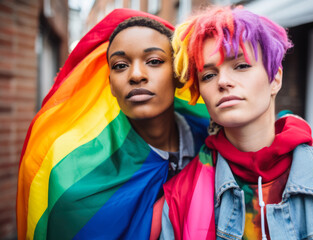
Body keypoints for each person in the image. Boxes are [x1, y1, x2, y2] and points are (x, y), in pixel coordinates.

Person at [161, 5, 313, 240]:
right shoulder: (180, 195)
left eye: (241, 65)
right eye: (208, 75)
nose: (223, 81)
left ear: (275, 78)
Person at [16, 9, 209, 240]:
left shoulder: (211, 140)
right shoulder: (76, 175)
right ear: (110, 85)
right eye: (120, 65)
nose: (136, 75)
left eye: (154, 61)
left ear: (178, 74)